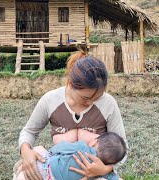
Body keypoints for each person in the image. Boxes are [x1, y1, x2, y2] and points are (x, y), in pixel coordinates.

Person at [14, 51, 129, 180]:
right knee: (22, 172)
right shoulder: (50, 100)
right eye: (86, 97)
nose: (91, 102)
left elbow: (123, 145)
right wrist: (26, 151)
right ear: (70, 84)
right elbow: (29, 131)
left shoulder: (108, 103)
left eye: (97, 98)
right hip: (57, 167)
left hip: (93, 173)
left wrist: (105, 169)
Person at [15, 132, 127, 180]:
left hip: (47, 168)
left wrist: (52, 152)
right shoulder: (100, 169)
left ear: (94, 142)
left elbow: (62, 147)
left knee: (37, 149)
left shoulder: (82, 147)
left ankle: (17, 173)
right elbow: (112, 177)